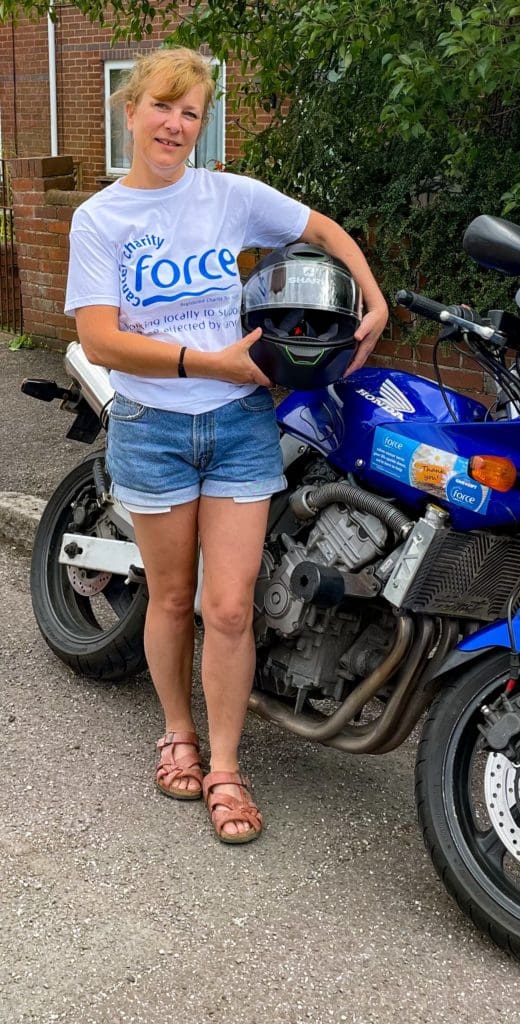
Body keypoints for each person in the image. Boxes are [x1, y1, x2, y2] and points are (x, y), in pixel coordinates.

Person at [64, 46, 389, 844]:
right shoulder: (101, 219)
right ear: (131, 110)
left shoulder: (230, 197)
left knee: (231, 607)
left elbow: (321, 228)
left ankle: (226, 766)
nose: (175, 125)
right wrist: (205, 360)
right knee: (172, 598)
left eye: (191, 114)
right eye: (163, 107)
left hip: (242, 424)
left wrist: (373, 302)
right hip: (154, 427)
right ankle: (177, 730)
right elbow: (99, 339)